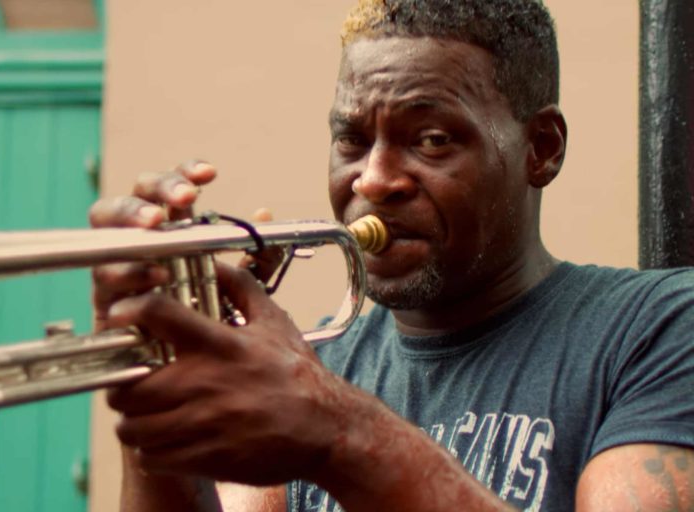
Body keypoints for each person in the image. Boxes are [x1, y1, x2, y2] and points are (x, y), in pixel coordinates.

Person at [89, 0, 694, 510]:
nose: (372, 180)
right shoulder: (314, 367)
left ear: (541, 148)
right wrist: (155, 399)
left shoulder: (659, 329)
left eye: (431, 139)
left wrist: (341, 433)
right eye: (351, 140)